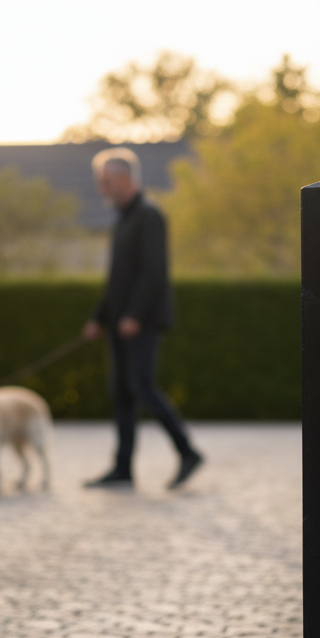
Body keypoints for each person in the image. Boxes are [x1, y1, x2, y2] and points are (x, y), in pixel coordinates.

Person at [82, 148, 203, 489]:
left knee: (142, 387)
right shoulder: (123, 218)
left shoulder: (150, 216)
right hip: (120, 324)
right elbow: (117, 280)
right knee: (121, 392)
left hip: (143, 323)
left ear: (123, 178)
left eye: (104, 181)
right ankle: (122, 468)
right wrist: (99, 318)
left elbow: (153, 273)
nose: (100, 188)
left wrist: (134, 315)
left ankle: (187, 451)